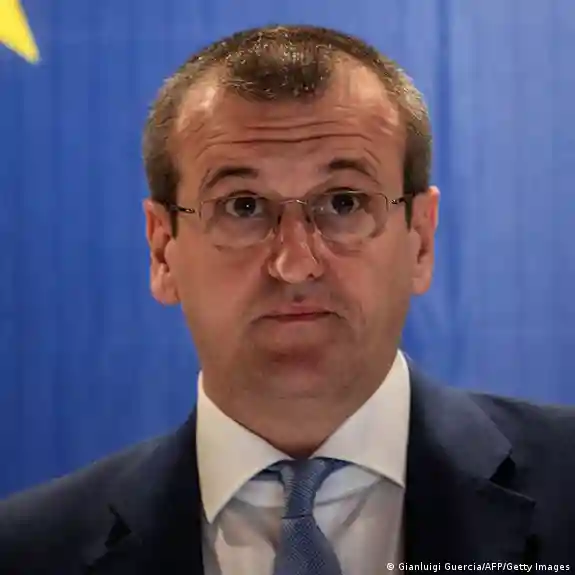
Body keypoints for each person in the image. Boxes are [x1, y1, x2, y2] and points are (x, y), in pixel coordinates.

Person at [1, 23, 574, 575]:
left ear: (420, 240)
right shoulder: (25, 552)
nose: (295, 263)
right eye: (243, 206)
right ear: (162, 251)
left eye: (345, 202)